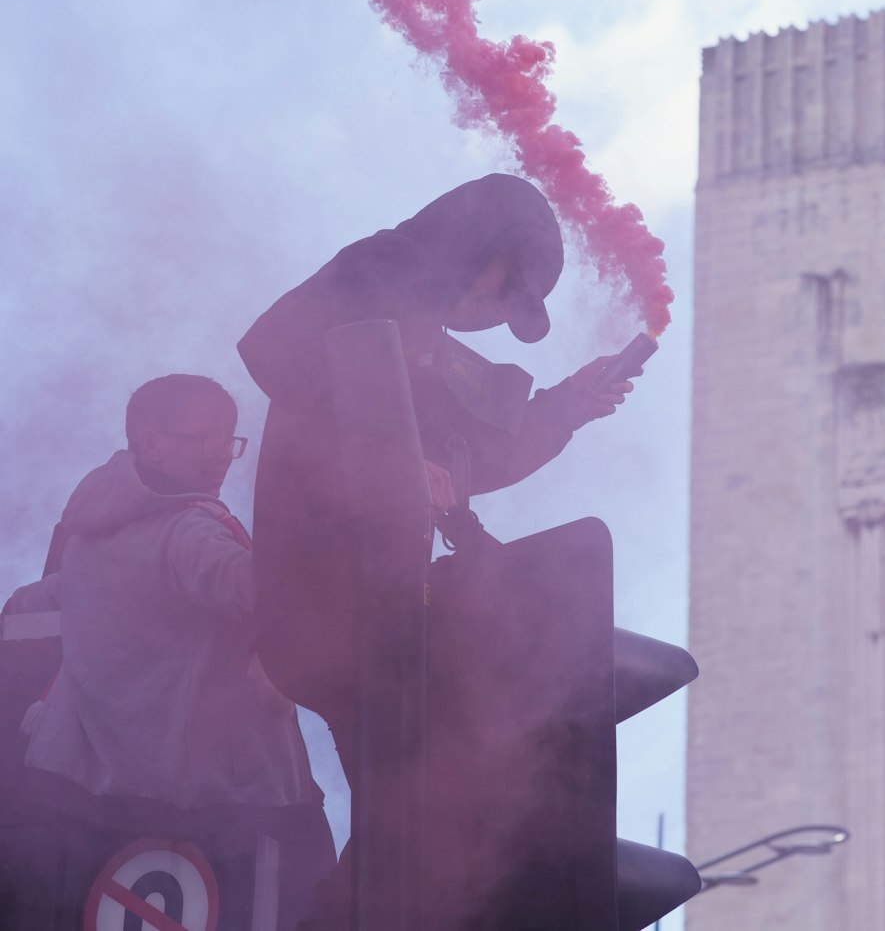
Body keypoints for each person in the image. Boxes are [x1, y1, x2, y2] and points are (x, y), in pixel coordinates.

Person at [237, 173, 639, 770]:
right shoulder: (383, 265)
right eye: (508, 288)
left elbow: (466, 460)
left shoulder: (427, 333)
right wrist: (392, 458)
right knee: (419, 787)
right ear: (481, 243)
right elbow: (270, 346)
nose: (499, 312)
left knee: (427, 794)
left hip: (381, 601)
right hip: (324, 596)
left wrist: (570, 404)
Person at [1, 373, 336, 929]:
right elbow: (262, 592)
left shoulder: (91, 528)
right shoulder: (188, 531)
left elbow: (38, 601)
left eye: (228, 439)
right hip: (218, 815)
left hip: (76, 797)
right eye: (204, 437)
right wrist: (340, 521)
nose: (221, 456)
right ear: (151, 442)